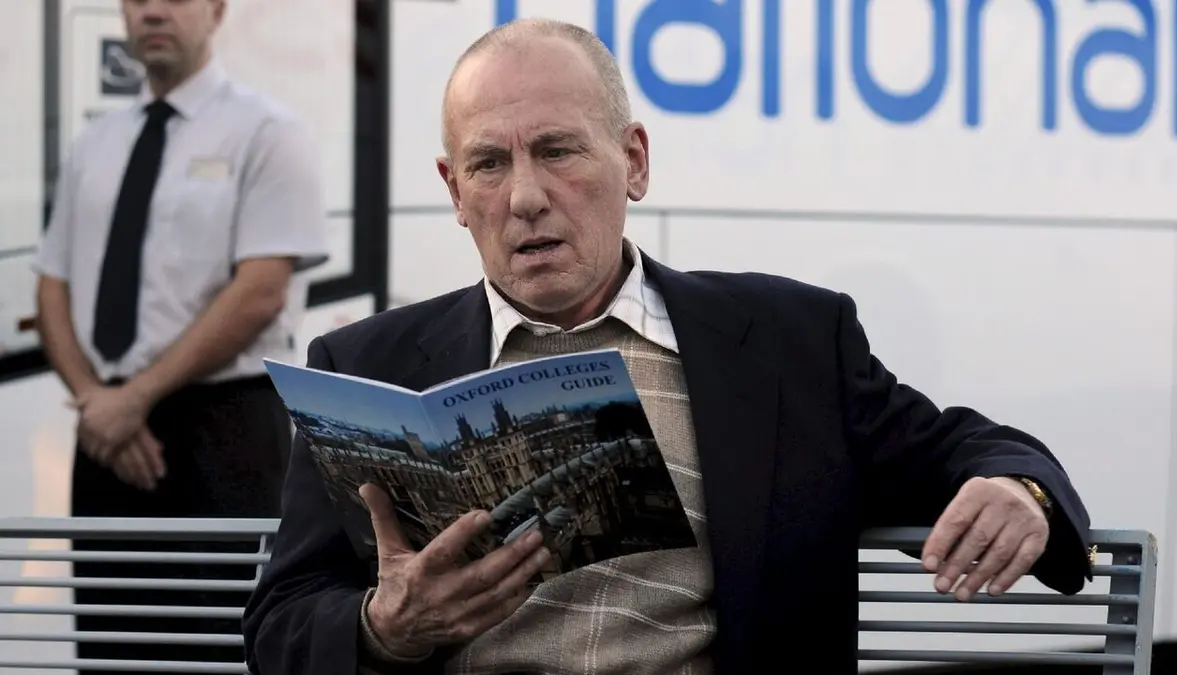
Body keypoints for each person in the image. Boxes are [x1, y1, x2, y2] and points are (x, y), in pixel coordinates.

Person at [242, 18, 1093, 675]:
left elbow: (962, 449)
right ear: (454, 191)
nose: (526, 196)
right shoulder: (368, 368)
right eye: (489, 164)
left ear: (635, 160)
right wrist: (385, 628)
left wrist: (1019, 489)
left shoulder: (789, 342)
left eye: (557, 150)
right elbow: (282, 622)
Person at [33, 0, 328, 671]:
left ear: (216, 10)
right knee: (112, 647)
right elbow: (52, 286)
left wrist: (131, 399)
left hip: (223, 431)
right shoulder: (94, 145)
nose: (154, 11)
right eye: (138, 0)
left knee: (220, 646)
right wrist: (98, 401)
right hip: (105, 431)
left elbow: (261, 290)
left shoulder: (268, 132)